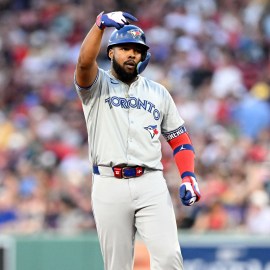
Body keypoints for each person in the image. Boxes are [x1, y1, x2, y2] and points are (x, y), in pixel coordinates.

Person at [74, 11, 201, 270]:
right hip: (109, 182)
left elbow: (180, 141)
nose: (131, 54)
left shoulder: (158, 92)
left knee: (169, 259)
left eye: (137, 50)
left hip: (150, 181)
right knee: (117, 265)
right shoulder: (97, 85)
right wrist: (99, 26)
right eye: (124, 48)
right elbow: (83, 65)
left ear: (144, 56)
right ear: (110, 52)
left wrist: (188, 175)